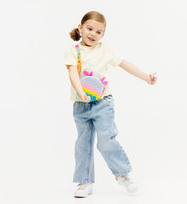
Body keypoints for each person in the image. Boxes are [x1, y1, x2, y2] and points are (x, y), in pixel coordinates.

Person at [64, 11, 157, 198]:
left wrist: (146, 77)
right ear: (81, 28)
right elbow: (73, 73)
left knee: (106, 138)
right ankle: (84, 182)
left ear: (103, 35)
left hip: (103, 103)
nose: (93, 34)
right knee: (83, 143)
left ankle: (123, 174)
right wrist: (80, 92)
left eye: (98, 32)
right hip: (81, 105)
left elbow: (125, 64)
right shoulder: (73, 51)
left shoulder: (105, 50)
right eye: (89, 29)